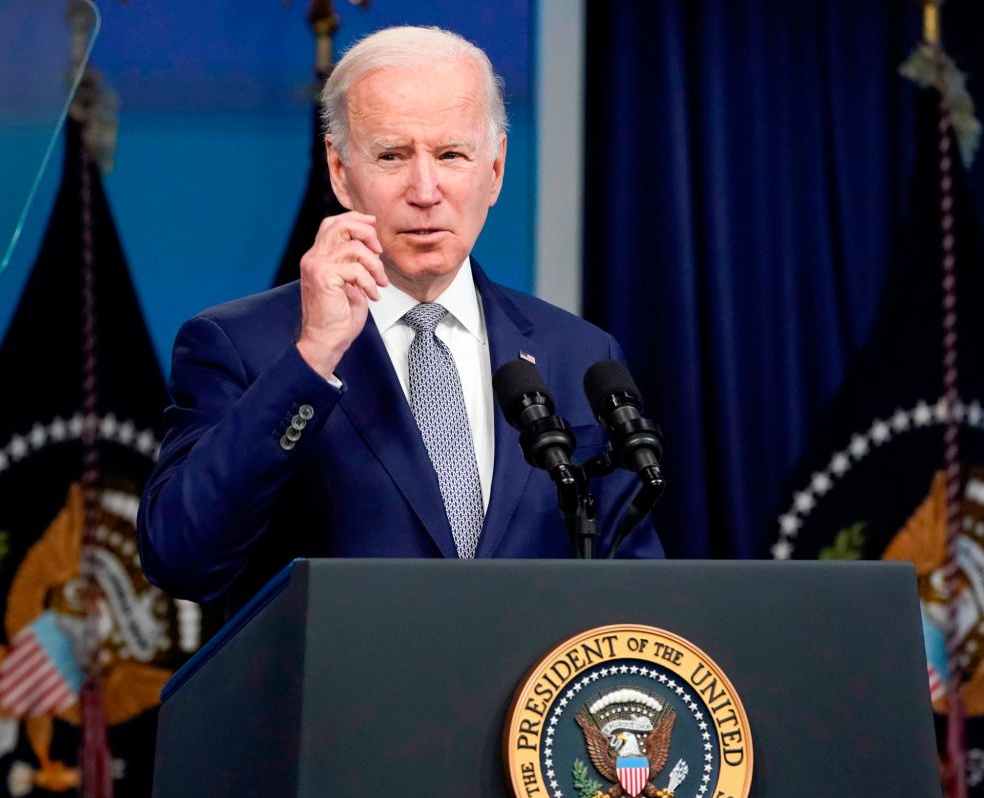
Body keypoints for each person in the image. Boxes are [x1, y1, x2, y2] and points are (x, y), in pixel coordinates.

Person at [139, 25, 662, 607]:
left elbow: (634, 597)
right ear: (340, 171)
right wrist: (311, 359)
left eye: (450, 155)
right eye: (392, 155)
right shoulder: (241, 346)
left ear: (493, 170)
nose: (425, 190)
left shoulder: (581, 356)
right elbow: (181, 558)